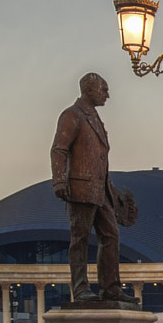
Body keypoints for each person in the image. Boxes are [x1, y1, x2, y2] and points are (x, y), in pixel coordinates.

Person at [51, 73, 124, 303]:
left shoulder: (94, 118)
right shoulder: (72, 115)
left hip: (100, 190)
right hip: (80, 188)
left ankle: (110, 289)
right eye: (104, 90)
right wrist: (60, 180)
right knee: (80, 239)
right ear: (89, 90)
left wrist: (111, 190)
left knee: (111, 235)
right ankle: (80, 288)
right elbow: (59, 149)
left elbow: (100, 158)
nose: (107, 95)